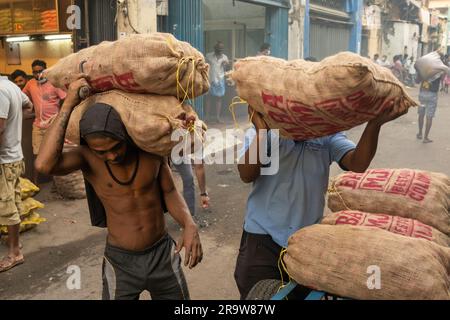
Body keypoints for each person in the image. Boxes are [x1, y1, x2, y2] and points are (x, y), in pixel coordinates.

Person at [35, 76, 203, 300]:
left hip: (162, 253)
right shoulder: (87, 158)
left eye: (116, 147)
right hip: (120, 262)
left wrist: (189, 224)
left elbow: (169, 191)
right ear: (89, 146)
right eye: (101, 151)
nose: (111, 155)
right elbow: (44, 164)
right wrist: (68, 104)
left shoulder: (149, 150)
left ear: (125, 136)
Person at [234, 98, 408, 299]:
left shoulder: (327, 137)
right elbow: (246, 174)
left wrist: (374, 124)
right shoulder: (263, 135)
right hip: (262, 240)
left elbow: (357, 163)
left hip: (307, 240)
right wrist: (262, 132)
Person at [0, 75, 33, 272]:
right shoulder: (10, 86)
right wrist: (16, 120)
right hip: (15, 156)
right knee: (13, 199)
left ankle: (15, 253)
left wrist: (11, 123)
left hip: (4, 159)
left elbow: (0, 128)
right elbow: (29, 107)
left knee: (6, 205)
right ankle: (16, 243)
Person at [22, 59, 67, 184]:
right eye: (35, 72)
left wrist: (61, 117)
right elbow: (22, 97)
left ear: (46, 70)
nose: (38, 75)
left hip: (53, 125)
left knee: (54, 154)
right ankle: (36, 183)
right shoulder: (30, 84)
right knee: (37, 154)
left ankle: (56, 183)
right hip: (37, 125)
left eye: (40, 71)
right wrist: (28, 109)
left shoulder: (54, 84)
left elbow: (65, 99)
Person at [205, 42, 230, 124]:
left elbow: (227, 69)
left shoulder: (225, 57)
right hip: (210, 79)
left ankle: (217, 117)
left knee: (218, 99)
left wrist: (226, 64)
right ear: (215, 48)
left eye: (221, 48)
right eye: (218, 48)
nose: (220, 49)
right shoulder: (208, 56)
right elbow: (204, 66)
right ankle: (207, 117)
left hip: (220, 80)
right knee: (208, 98)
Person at [416, 68, 443, 143]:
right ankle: (425, 138)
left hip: (423, 93)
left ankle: (420, 133)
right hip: (432, 95)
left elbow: (417, 81)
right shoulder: (439, 70)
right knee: (429, 116)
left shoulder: (423, 68)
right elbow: (442, 79)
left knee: (421, 114)